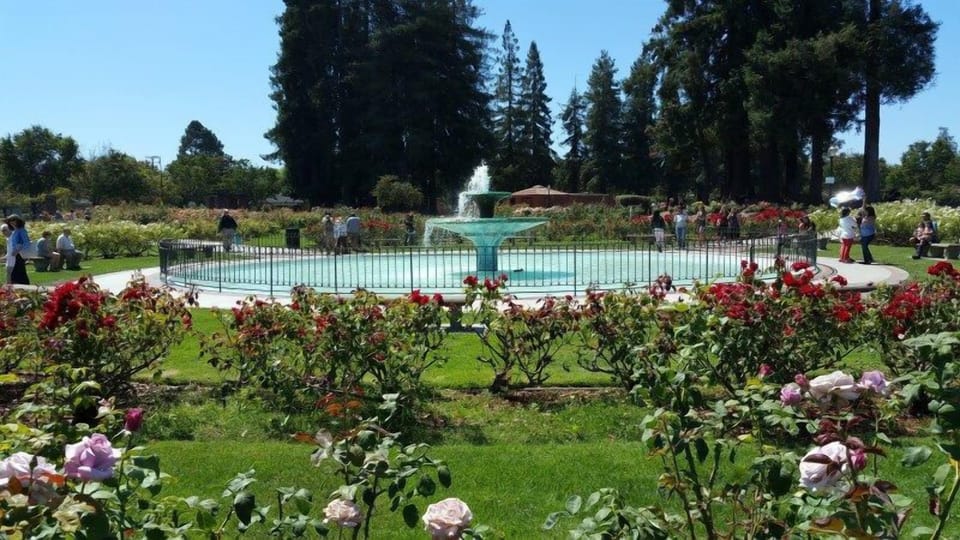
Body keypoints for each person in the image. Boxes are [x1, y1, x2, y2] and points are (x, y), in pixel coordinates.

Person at [5, 215, 30, 285]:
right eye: (10, 221)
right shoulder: (14, 231)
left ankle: (23, 285)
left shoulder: (21, 230)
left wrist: (18, 249)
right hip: (14, 254)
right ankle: (18, 285)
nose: (12, 222)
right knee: (16, 271)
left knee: (19, 271)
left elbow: (26, 242)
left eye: (14, 220)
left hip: (20, 254)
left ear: (18, 221)